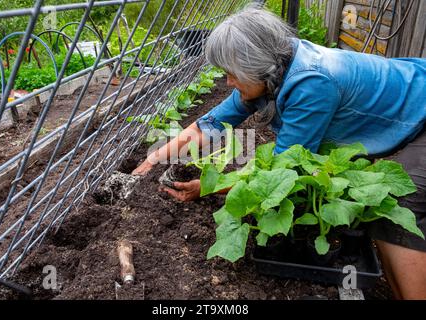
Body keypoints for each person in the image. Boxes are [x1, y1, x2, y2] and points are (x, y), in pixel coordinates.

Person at [132, 6, 426, 299]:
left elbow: (281, 173)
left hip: (421, 111)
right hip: (410, 91)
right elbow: (206, 126)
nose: (228, 83)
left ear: (256, 66)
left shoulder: (311, 84)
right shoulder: (273, 69)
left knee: (398, 205)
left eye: (231, 74)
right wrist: (152, 161)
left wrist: (209, 187)